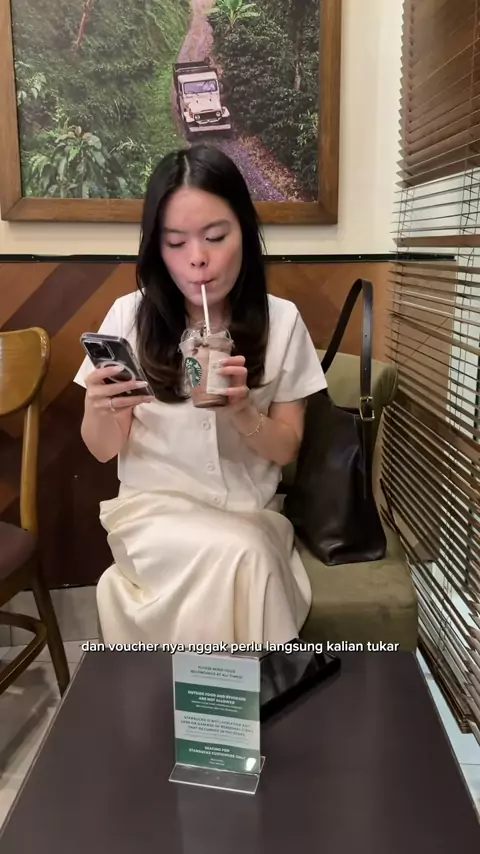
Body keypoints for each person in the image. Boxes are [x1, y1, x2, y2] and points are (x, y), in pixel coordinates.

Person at [74, 143, 327, 646]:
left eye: (215, 237)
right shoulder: (128, 317)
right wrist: (98, 408)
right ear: (157, 248)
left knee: (246, 550)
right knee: (243, 556)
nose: (198, 259)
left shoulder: (282, 322)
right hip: (154, 519)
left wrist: (243, 411)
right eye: (175, 242)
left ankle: (205, 691)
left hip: (249, 515)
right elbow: (103, 449)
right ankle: (245, 687)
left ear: (244, 232)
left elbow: (286, 449)